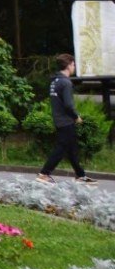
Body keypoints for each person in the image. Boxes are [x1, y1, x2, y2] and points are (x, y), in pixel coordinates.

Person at [39, 53, 95, 184]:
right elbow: (69, 104)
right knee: (61, 148)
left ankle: (80, 175)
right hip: (66, 121)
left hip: (59, 119)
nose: (74, 67)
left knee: (72, 148)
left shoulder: (55, 81)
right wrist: (76, 116)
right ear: (69, 65)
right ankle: (44, 173)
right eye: (73, 64)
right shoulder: (66, 82)